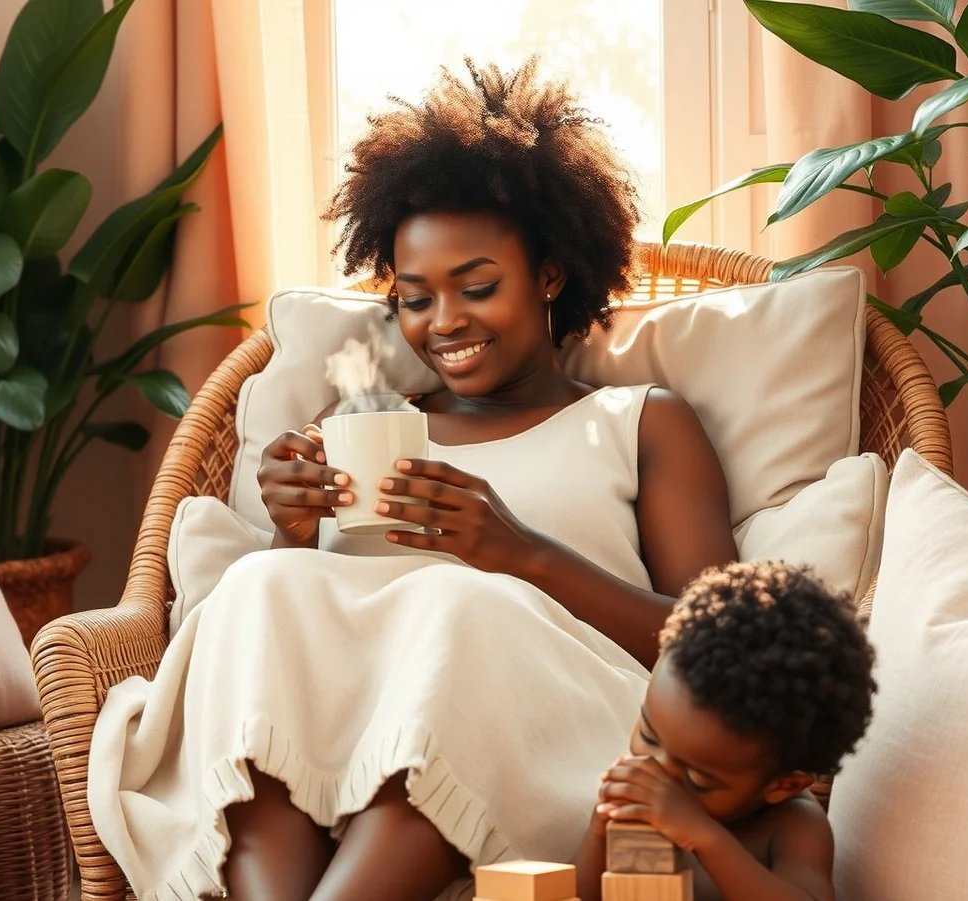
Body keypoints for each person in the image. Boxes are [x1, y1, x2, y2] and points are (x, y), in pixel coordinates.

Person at [86, 58, 735, 901]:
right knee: (259, 586)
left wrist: (521, 554)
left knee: (459, 604)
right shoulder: (364, 425)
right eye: (416, 298)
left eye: (477, 287)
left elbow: (716, 657)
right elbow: (303, 642)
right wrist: (290, 530)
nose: (444, 323)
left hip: (544, 721)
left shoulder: (642, 423)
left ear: (549, 274)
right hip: (339, 736)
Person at [575, 562, 876, 901]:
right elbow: (583, 895)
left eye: (697, 779)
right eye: (648, 735)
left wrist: (703, 836)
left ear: (783, 785)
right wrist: (599, 832)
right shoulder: (639, 812)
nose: (658, 771)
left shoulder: (792, 825)